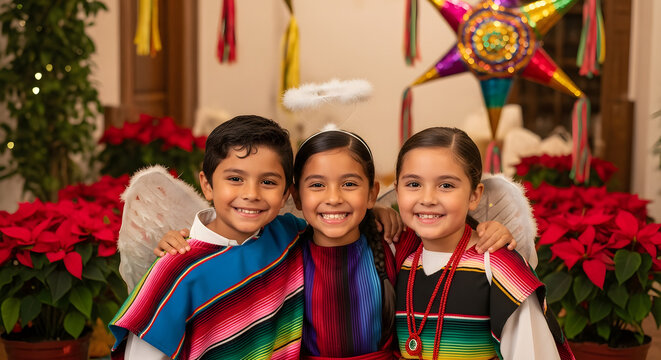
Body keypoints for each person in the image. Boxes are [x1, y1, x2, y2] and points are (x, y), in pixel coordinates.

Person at [156, 128, 518, 359]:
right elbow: (231, 242)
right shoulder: (285, 242)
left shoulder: (393, 241)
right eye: (316, 185)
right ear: (295, 196)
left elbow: (442, 231)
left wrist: (488, 229)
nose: (333, 198)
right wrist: (192, 238)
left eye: (349, 184)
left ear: (373, 192)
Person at [109, 115, 308, 359]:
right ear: (207, 185)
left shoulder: (289, 236)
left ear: (286, 192)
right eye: (235, 179)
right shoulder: (176, 270)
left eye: (268, 181)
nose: (251, 193)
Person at [393, 127, 574, 360]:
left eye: (446, 185)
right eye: (414, 184)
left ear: (474, 196)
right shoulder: (400, 258)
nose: (428, 199)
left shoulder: (498, 267)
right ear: (397, 190)